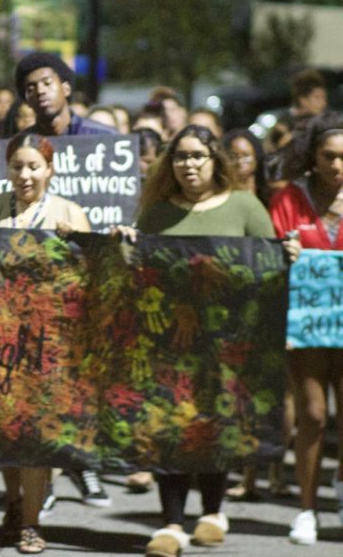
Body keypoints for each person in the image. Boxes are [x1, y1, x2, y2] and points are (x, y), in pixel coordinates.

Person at [131, 124, 300, 557]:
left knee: (216, 426)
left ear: (215, 160)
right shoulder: (155, 213)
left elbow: (269, 264)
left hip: (230, 343)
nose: (189, 165)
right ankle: (171, 523)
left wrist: (288, 254)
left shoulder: (245, 206)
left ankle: (212, 511)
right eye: (180, 157)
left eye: (197, 156)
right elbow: (141, 272)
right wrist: (126, 247)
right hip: (170, 341)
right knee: (171, 428)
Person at [0, 131, 90, 554]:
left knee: (36, 436)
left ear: (50, 170)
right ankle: (14, 502)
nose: (24, 175)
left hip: (49, 343)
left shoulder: (69, 212)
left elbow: (89, 279)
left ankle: (33, 524)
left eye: (33, 166)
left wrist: (78, 244)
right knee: (6, 432)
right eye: (17, 166)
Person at [14, 51, 115, 508]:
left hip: (87, 281)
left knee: (80, 383)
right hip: (32, 290)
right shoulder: (18, 147)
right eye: (30, 86)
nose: (39, 91)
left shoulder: (104, 141)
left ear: (67, 87)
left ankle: (86, 466)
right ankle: (44, 480)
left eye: (47, 82)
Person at [270, 112, 343, 545]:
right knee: (313, 414)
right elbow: (272, 247)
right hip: (308, 320)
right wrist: (286, 250)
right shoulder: (288, 199)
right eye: (329, 156)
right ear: (312, 157)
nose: (338, 166)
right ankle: (306, 510)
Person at [15, 52, 117, 137]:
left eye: (47, 83)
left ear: (66, 89)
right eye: (31, 89)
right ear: (26, 100)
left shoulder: (104, 136)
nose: (40, 91)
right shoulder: (20, 146)